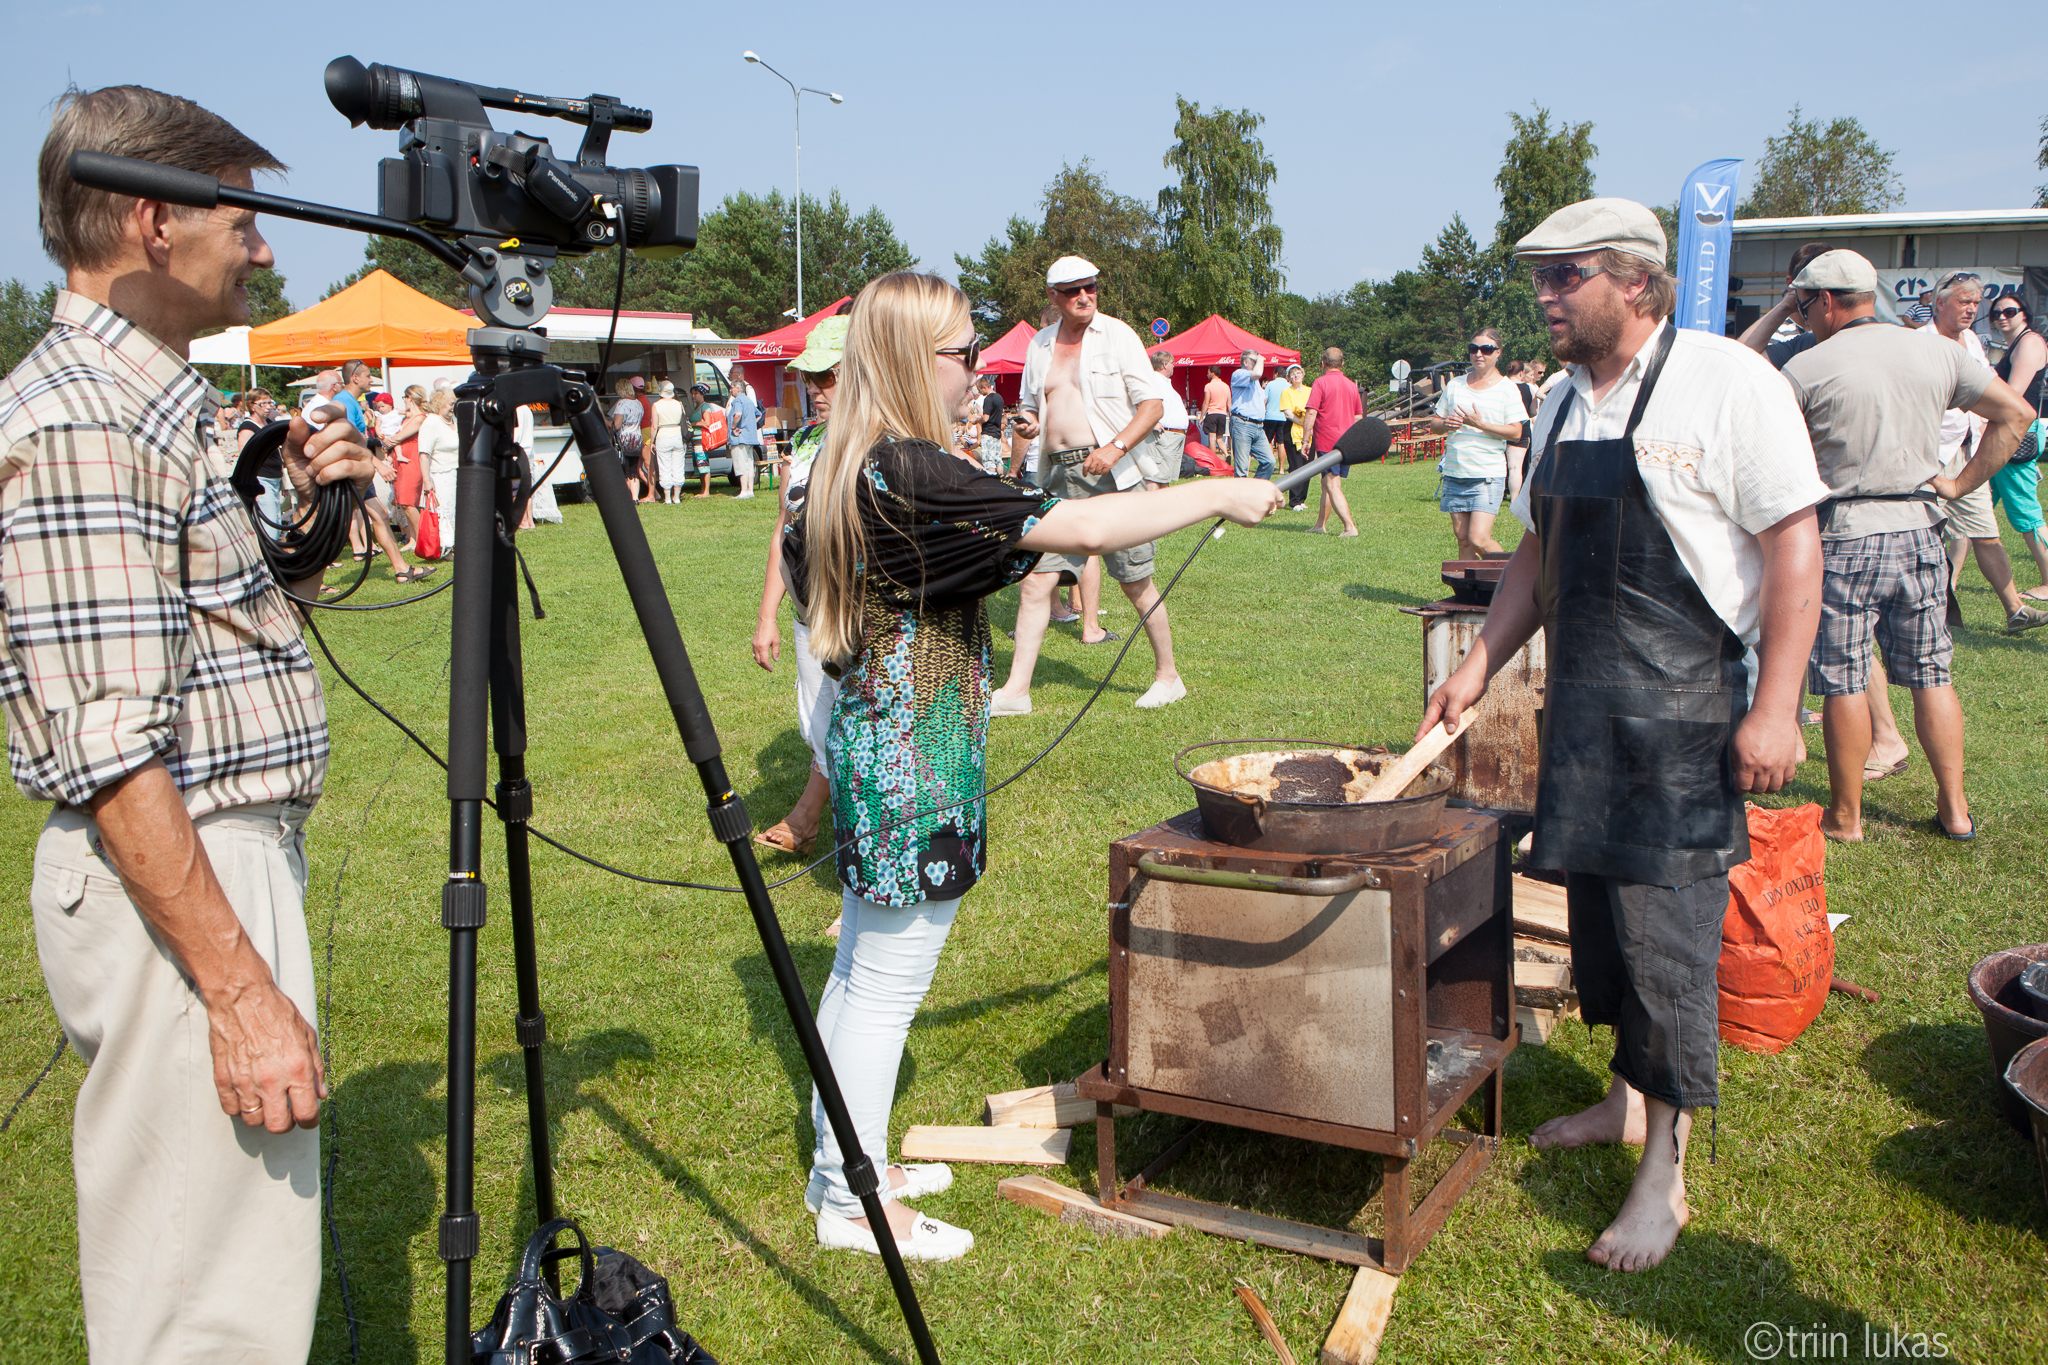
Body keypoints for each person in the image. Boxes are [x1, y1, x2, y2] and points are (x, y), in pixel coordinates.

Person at [783, 270, 1279, 1260]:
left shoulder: (851, 466)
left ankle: (844, 1164)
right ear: (909, 360)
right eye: (963, 352)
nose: (978, 370)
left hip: (883, 759)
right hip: (911, 773)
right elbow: (1085, 529)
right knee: (882, 989)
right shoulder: (913, 474)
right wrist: (1220, 488)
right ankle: (849, 1199)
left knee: (856, 974)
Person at [5, 84, 380, 1362]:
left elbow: (211, 637)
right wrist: (240, 994)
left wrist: (307, 533)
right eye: (248, 214)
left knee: (237, 1280)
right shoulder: (82, 423)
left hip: (208, 859)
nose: (266, 246)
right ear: (157, 224)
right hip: (179, 870)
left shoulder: (149, 407)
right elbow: (111, 745)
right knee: (205, 1316)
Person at [1424, 198, 1827, 1274]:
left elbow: (1793, 542)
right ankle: (1621, 1104)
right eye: (1541, 279)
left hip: (1686, 716)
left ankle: (1665, 1175)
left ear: (1637, 282)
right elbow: (1536, 556)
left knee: (1668, 945)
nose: (1544, 298)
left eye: (1566, 277)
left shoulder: (1727, 383)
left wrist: (1777, 704)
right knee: (1602, 928)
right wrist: (1476, 665)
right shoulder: (1556, 402)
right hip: (1587, 710)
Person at [1781, 250, 2041, 843]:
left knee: (1844, 678)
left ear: (1825, 301)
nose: (1802, 314)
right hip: (1923, 528)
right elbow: (2018, 413)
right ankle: (1955, 811)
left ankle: (1846, 817)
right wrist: (1959, 483)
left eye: (1802, 302)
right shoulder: (1938, 350)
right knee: (1932, 674)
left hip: (1845, 532)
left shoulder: (1807, 367)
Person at [994, 256, 1187, 714]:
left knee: (1136, 580)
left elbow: (1153, 406)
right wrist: (1026, 426)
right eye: (1072, 290)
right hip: (1056, 474)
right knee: (1037, 581)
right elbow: (1030, 407)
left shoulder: (1118, 334)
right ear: (1053, 297)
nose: (1084, 296)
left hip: (1113, 473)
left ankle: (1169, 677)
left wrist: (1115, 448)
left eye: (1091, 287)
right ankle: (1016, 691)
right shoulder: (1039, 344)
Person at [753, 317, 848, 868]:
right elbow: (783, 530)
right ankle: (810, 824)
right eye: (809, 377)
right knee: (819, 726)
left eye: (826, 376)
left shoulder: (884, 442)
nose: (814, 388)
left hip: (864, 617)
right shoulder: (808, 441)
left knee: (861, 739)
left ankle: (854, 864)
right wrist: (768, 615)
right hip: (810, 611)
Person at [1925, 271, 2048, 631]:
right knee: (1925, 537)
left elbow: (1994, 390)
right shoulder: (1919, 341)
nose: (1972, 309)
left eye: (1976, 303)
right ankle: (1933, 613)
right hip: (1931, 454)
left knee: (1987, 533)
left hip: (1971, 452)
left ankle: (2015, 611)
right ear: (1940, 302)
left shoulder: (1973, 342)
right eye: (1964, 301)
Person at [1429, 328, 1529, 559]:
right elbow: (1435, 424)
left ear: (1498, 353)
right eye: (1474, 349)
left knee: (1478, 538)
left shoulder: (1507, 389)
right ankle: (1469, 595)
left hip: (1487, 474)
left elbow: (1516, 432)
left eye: (1486, 349)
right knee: (1463, 540)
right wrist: (1447, 423)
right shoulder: (1455, 385)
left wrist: (1480, 424)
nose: (1479, 354)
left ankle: (1511, 580)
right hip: (1455, 472)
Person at [1987, 293, 2048, 599]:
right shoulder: (2015, 344)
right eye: (1995, 312)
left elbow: (2012, 395)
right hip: (2004, 433)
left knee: (2025, 513)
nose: (2001, 316)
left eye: (2009, 311)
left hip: (2016, 435)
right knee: (1974, 509)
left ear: (2024, 313)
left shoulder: (2029, 342)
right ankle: (1950, 581)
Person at [1301, 348, 1361, 536]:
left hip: (1328, 442)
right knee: (1327, 484)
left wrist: (1305, 439)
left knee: (1332, 485)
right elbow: (1358, 416)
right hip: (1346, 442)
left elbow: (1311, 412)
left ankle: (1349, 527)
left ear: (1323, 363)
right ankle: (1320, 525)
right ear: (1342, 364)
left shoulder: (1320, 383)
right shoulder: (1351, 385)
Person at [1137, 347, 1188, 490]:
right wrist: (1153, 422)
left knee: (1163, 478)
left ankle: (1162, 508)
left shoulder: (1163, 382)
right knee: (1155, 478)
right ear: (1164, 364)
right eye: (1172, 362)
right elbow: (1138, 400)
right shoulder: (1153, 380)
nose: (1174, 366)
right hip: (1163, 436)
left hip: (1172, 436)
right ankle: (1152, 509)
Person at [421, 386, 463, 557]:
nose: (452, 407)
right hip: (440, 474)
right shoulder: (431, 422)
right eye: (449, 404)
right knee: (445, 511)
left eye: (454, 404)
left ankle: (457, 544)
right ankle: (447, 547)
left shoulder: (455, 422)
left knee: (457, 510)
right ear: (439, 404)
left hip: (458, 472)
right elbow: (424, 454)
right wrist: (426, 481)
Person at [386, 384, 429, 541]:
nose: (404, 400)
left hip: (412, 461)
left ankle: (422, 539)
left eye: (404, 397)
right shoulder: (408, 418)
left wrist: (386, 441)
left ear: (410, 398)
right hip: (402, 462)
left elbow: (398, 437)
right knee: (403, 503)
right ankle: (414, 538)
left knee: (408, 502)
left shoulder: (420, 418)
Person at [1229, 349, 1275, 479]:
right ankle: (1241, 498)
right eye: (1254, 361)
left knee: (1269, 462)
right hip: (1242, 424)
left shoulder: (1255, 382)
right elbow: (1257, 373)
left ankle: (1254, 491)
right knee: (1242, 470)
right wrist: (1261, 359)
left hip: (1258, 427)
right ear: (1245, 362)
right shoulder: (1239, 373)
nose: (1258, 363)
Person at [1264, 359, 1300, 492]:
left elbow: (1265, 400)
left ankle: (1270, 465)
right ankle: (1281, 469)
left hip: (1270, 416)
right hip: (1284, 417)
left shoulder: (1270, 384)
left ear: (1275, 374)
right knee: (1281, 442)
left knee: (1268, 441)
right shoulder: (1288, 385)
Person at [1280, 364, 1312, 509]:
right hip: (1292, 430)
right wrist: (1303, 422)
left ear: (1303, 374)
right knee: (1296, 465)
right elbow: (1288, 413)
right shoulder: (1286, 392)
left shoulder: (1310, 391)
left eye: (1298, 373)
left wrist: (1309, 425)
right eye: (1292, 374)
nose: (1296, 376)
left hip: (1310, 431)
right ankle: (1294, 500)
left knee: (1309, 465)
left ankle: (1302, 498)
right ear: (1289, 378)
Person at [651, 379, 688, 504]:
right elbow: (683, 420)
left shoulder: (656, 405)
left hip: (663, 435)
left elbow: (654, 426)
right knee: (678, 466)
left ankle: (667, 497)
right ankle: (676, 497)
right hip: (677, 434)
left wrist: (652, 441)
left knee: (664, 466)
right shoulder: (679, 404)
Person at [729, 372, 764, 498]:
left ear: (738, 389)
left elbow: (737, 414)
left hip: (740, 439)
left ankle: (743, 491)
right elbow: (759, 414)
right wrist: (751, 424)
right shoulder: (749, 400)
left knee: (740, 464)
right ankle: (750, 490)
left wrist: (733, 427)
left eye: (731, 388)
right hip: (751, 438)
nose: (730, 390)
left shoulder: (738, 400)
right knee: (750, 464)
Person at [692, 383, 728, 498]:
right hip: (696, 440)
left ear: (702, 394)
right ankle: (702, 490)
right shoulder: (697, 407)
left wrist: (692, 424)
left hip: (701, 439)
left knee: (703, 464)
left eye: (696, 394)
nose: (693, 396)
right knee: (699, 465)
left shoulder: (704, 407)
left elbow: (706, 423)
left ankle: (706, 491)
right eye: (692, 394)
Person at [1202, 363, 1231, 460]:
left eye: (1208, 373)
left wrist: (1202, 416)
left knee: (1212, 439)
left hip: (1212, 414)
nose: (1207, 375)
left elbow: (1206, 402)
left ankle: (1213, 460)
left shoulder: (1208, 386)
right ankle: (1227, 455)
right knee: (1220, 439)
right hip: (1222, 414)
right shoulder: (1226, 386)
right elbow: (1229, 403)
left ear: (1213, 373)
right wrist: (1230, 415)